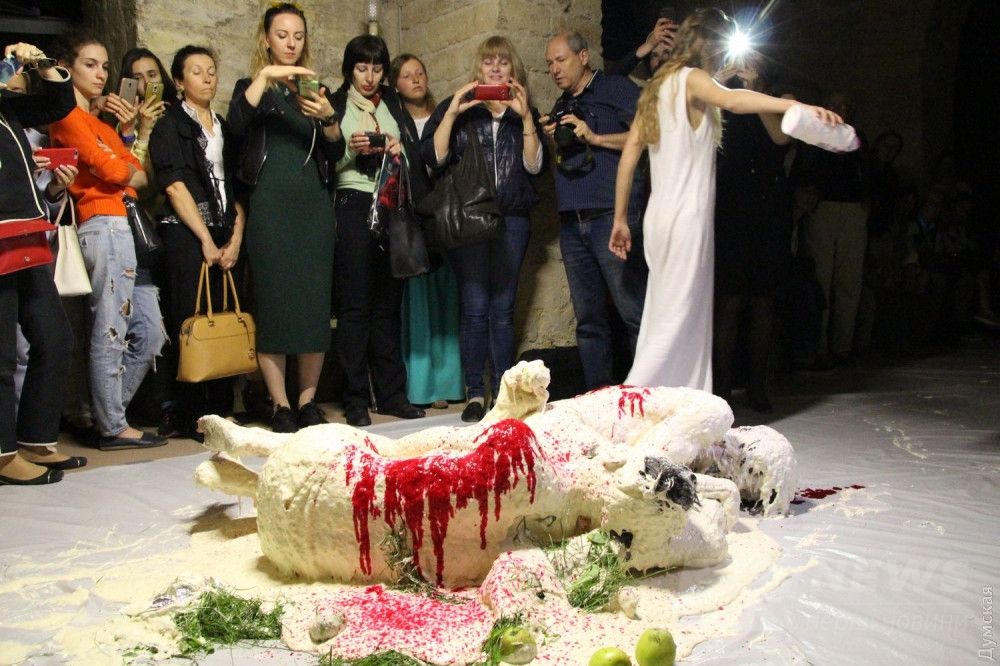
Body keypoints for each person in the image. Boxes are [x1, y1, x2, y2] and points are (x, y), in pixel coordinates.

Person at [609, 8, 842, 392]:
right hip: (687, 217)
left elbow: (631, 153)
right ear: (710, 43)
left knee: (665, 312)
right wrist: (793, 106)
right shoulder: (693, 79)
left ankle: (674, 398)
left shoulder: (660, 86)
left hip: (659, 218)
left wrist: (620, 218)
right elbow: (733, 101)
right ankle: (642, 394)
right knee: (681, 316)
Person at [227, 2, 344, 433]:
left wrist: (328, 118)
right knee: (274, 305)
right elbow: (235, 126)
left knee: (313, 306)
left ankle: (308, 401)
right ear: (266, 40)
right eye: (282, 35)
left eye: (298, 36)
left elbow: (335, 150)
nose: (291, 43)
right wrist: (267, 75)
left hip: (313, 208)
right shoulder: (251, 87)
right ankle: (280, 405)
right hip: (270, 208)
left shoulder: (316, 89)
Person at [49, 33, 167, 450]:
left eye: (103, 66)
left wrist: (119, 158)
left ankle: (106, 418)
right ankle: (113, 425)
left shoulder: (100, 124)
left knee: (150, 333)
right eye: (89, 65)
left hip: (123, 225)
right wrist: (118, 166)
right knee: (109, 330)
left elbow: (138, 173)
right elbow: (117, 172)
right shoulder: (67, 117)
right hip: (100, 223)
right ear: (67, 69)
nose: (100, 74)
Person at [423, 36, 545, 423]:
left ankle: (503, 396)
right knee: (475, 307)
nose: (495, 68)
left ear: (513, 70)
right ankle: (475, 393)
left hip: (512, 218)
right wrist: (452, 112)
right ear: (478, 69)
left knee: (503, 310)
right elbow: (433, 158)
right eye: (488, 62)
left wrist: (526, 118)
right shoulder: (459, 109)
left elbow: (534, 167)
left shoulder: (522, 111)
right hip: (470, 218)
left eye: (502, 62)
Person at [148, 45, 245, 439]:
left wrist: (235, 238)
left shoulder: (224, 126)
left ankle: (221, 410)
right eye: (196, 71)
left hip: (225, 230)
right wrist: (204, 238)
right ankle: (192, 414)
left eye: (211, 71)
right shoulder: (169, 126)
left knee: (223, 315)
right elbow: (174, 186)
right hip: (186, 233)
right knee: (190, 319)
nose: (207, 78)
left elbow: (238, 185)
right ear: (178, 81)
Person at [331, 35, 427, 427]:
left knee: (388, 306)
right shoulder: (336, 104)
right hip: (352, 203)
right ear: (349, 70)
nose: (369, 76)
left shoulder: (393, 105)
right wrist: (352, 150)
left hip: (391, 204)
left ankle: (392, 395)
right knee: (355, 307)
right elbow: (325, 162)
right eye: (361, 68)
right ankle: (355, 399)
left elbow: (415, 156)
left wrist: (399, 152)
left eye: (376, 68)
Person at [542, 31, 646, 391]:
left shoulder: (615, 88)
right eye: (549, 64)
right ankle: (598, 394)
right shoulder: (561, 105)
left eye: (561, 60)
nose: (554, 69)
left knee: (633, 310)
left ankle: (650, 392)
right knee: (588, 320)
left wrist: (595, 137)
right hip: (572, 221)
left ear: (583, 56)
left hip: (611, 217)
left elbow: (649, 136)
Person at [0, 42, 84, 485]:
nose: (15, 72)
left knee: (55, 337)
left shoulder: (8, 110)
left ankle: (34, 439)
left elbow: (57, 103)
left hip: (25, 233)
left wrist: (43, 64)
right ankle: (2, 455)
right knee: (1, 355)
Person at [711, 58, 792, 411]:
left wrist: (755, 92)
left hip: (768, 209)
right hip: (731, 207)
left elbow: (780, 138)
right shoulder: (723, 98)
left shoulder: (779, 98)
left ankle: (758, 385)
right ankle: (722, 388)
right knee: (729, 301)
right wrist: (717, 84)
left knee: (763, 301)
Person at [389, 53, 464, 410]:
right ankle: (422, 387)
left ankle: (450, 382)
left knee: (448, 297)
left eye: (420, 72)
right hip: (411, 216)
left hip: (445, 214)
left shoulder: (443, 115)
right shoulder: (394, 119)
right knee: (418, 302)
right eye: (407, 75)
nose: (416, 79)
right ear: (395, 84)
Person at [788, 92, 869, 364]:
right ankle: (818, 346)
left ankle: (842, 346)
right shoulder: (812, 135)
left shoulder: (856, 137)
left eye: (844, 105)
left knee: (849, 280)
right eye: (834, 104)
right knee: (821, 277)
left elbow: (865, 170)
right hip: (823, 208)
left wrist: (866, 198)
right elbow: (803, 169)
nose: (839, 109)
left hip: (852, 210)